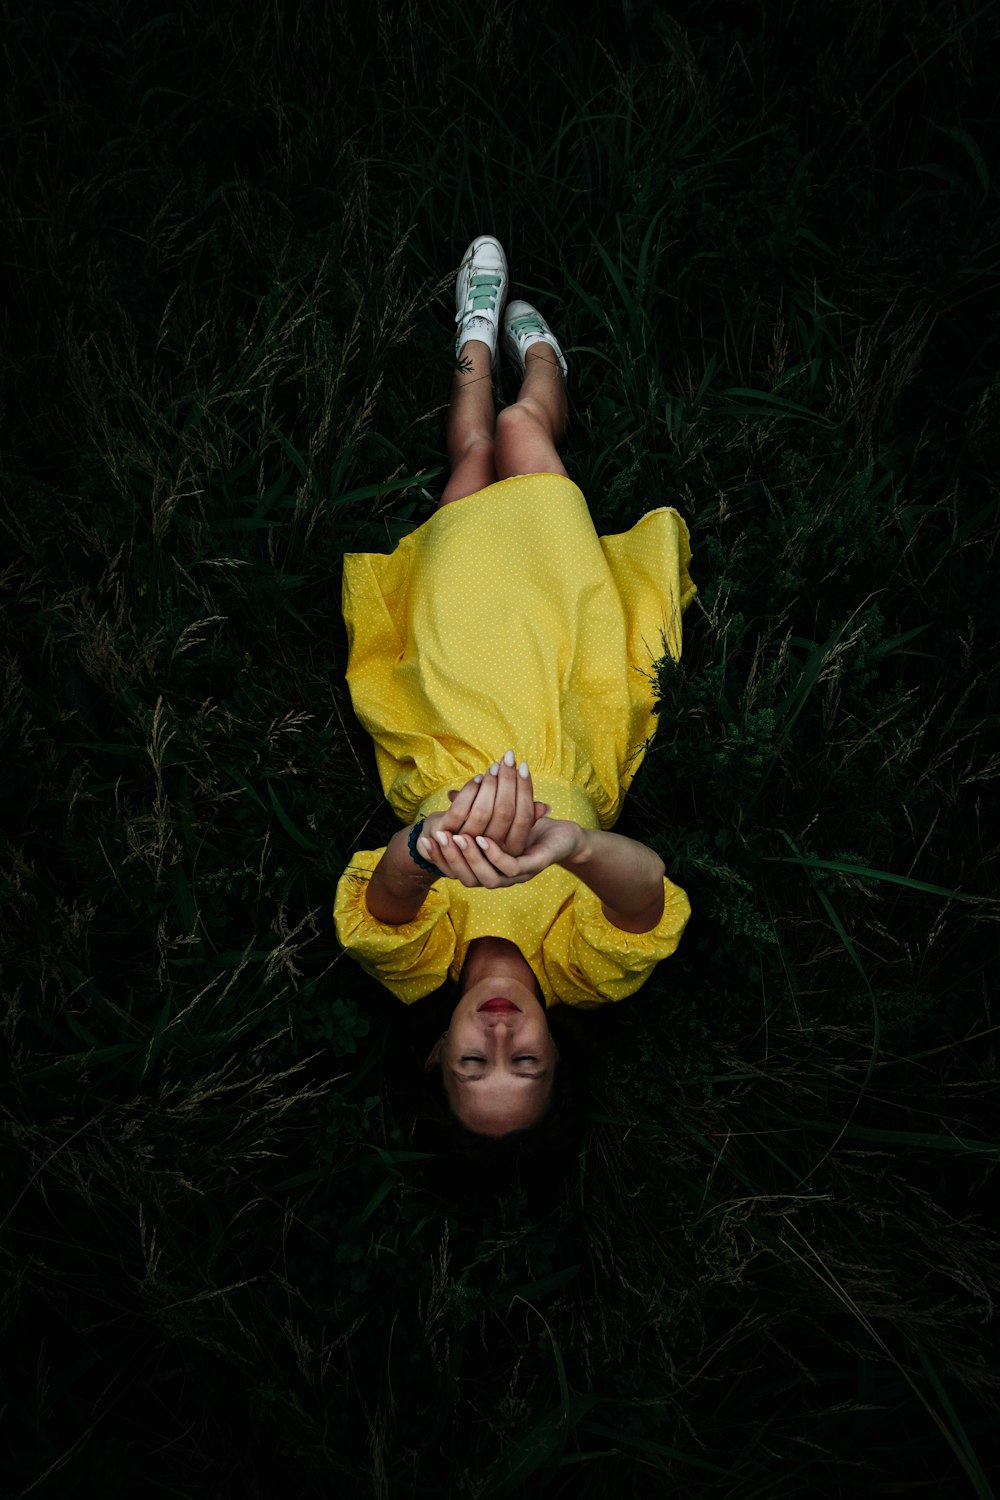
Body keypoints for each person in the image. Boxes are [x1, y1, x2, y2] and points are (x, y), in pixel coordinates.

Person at [333, 235, 696, 1142]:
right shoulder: (579, 968)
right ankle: (540, 365)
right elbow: (647, 893)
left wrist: (430, 842)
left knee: (466, 466)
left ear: (436, 1048)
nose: (500, 1036)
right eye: (525, 1061)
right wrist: (569, 844)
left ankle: (471, 340)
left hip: (451, 696)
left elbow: (378, 903)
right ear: (558, 1052)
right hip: (567, 691)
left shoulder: (426, 960)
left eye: (472, 1062)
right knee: (525, 443)